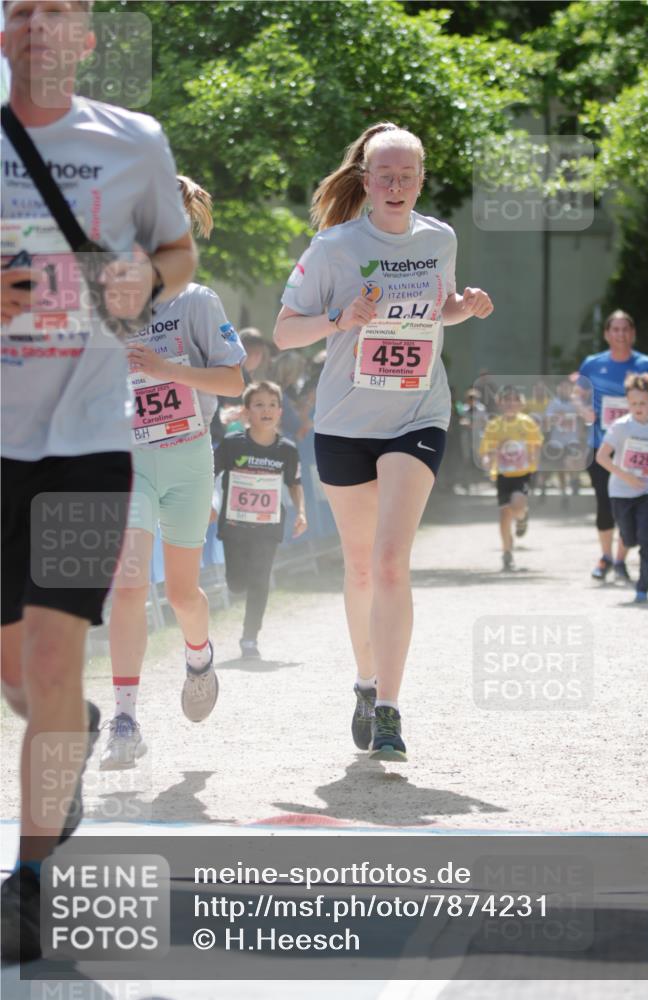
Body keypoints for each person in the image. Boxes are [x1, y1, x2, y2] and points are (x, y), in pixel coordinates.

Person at [0, 0, 196, 962]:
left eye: (60, 14)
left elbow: (179, 250)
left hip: (86, 442)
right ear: (3, 34)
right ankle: (68, 733)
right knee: (21, 684)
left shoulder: (134, 141)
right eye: (22, 11)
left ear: (86, 38)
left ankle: (31, 884)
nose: (40, 27)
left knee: (46, 663)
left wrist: (140, 284)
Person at [273, 122, 493, 761]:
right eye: (384, 175)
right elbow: (285, 333)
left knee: (392, 559)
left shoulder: (439, 237)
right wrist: (341, 319)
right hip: (344, 421)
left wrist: (464, 304)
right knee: (362, 565)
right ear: (366, 180)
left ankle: (391, 710)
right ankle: (365, 684)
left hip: (417, 413)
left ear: (421, 179)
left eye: (407, 175)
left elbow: (439, 307)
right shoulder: (333, 246)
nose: (396, 185)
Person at [99, 176, 245, 769]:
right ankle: (126, 719)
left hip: (187, 453)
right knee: (130, 586)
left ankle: (199, 656)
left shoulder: (198, 303)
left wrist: (164, 367)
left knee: (183, 593)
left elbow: (235, 382)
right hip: (129, 459)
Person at [214, 380, 307, 659]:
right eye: (259, 405)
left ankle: (249, 638)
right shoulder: (232, 445)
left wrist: (301, 512)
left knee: (260, 579)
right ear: (246, 411)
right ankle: (240, 593)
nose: (266, 410)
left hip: (268, 527)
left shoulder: (287, 449)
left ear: (280, 411)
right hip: (234, 526)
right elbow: (209, 473)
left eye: (272, 405)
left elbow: (295, 482)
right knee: (237, 583)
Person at [578, 310, 648, 582]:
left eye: (625, 329)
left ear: (632, 333)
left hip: (637, 448)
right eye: (615, 329)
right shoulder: (592, 364)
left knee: (631, 505)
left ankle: (621, 560)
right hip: (601, 446)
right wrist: (585, 412)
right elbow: (578, 399)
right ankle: (606, 557)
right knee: (606, 504)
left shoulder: (646, 364)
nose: (620, 334)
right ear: (606, 334)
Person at [596, 373, 648, 603]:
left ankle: (643, 585)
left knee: (646, 536)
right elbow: (602, 457)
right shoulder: (620, 427)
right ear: (627, 403)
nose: (638, 407)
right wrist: (625, 475)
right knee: (629, 537)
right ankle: (620, 558)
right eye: (634, 403)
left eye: (643, 403)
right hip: (621, 491)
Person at [478, 386, 543, 570]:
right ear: (500, 404)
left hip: (522, 473)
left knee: (518, 504)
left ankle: (522, 517)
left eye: (514, 400)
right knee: (504, 515)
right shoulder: (494, 425)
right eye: (506, 400)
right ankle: (507, 552)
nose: (510, 404)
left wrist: (533, 458)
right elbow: (486, 450)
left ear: (521, 404)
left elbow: (536, 445)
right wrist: (486, 460)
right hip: (502, 474)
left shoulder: (528, 423)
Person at [544, 378, 587, 506]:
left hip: (572, 440)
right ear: (558, 389)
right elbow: (547, 421)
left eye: (567, 387)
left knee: (571, 463)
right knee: (560, 468)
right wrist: (557, 417)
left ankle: (574, 480)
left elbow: (583, 419)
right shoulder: (553, 403)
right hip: (557, 441)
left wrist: (581, 435)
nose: (564, 390)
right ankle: (564, 492)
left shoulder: (576, 403)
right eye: (562, 387)